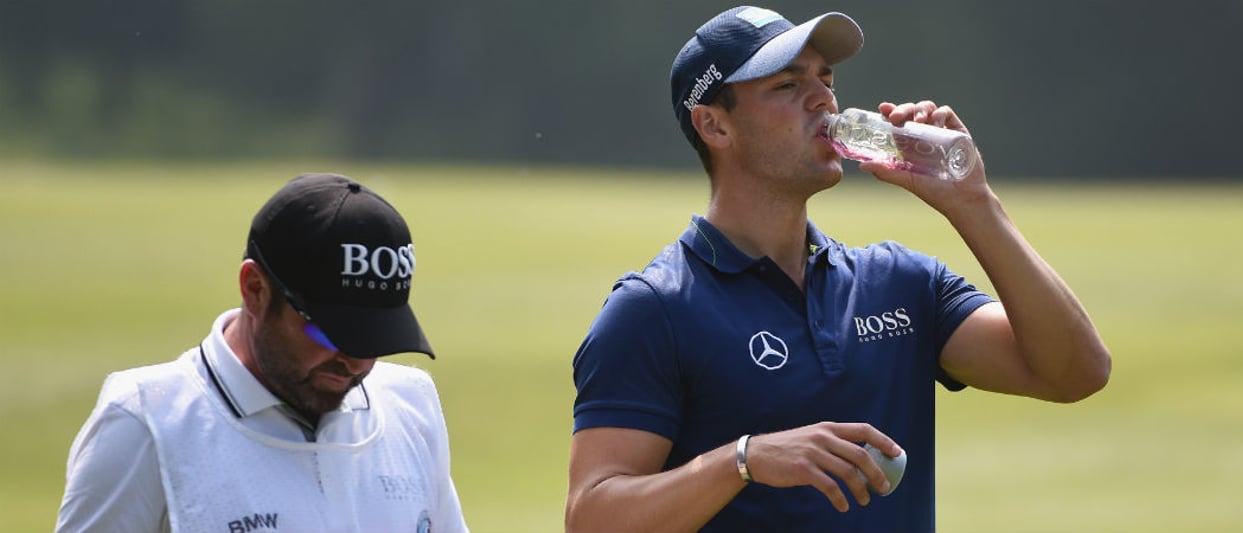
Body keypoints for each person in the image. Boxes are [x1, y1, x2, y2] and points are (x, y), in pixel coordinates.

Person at [565, 6, 1111, 533]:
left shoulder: (902, 283)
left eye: (825, 79)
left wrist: (975, 204)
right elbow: (591, 518)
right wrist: (744, 460)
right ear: (714, 126)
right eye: (787, 85)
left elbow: (1076, 372)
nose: (823, 99)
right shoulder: (654, 308)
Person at [56, 173, 468, 533]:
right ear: (255, 290)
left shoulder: (411, 405)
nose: (358, 362)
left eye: (376, 338)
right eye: (332, 333)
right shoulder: (144, 425)